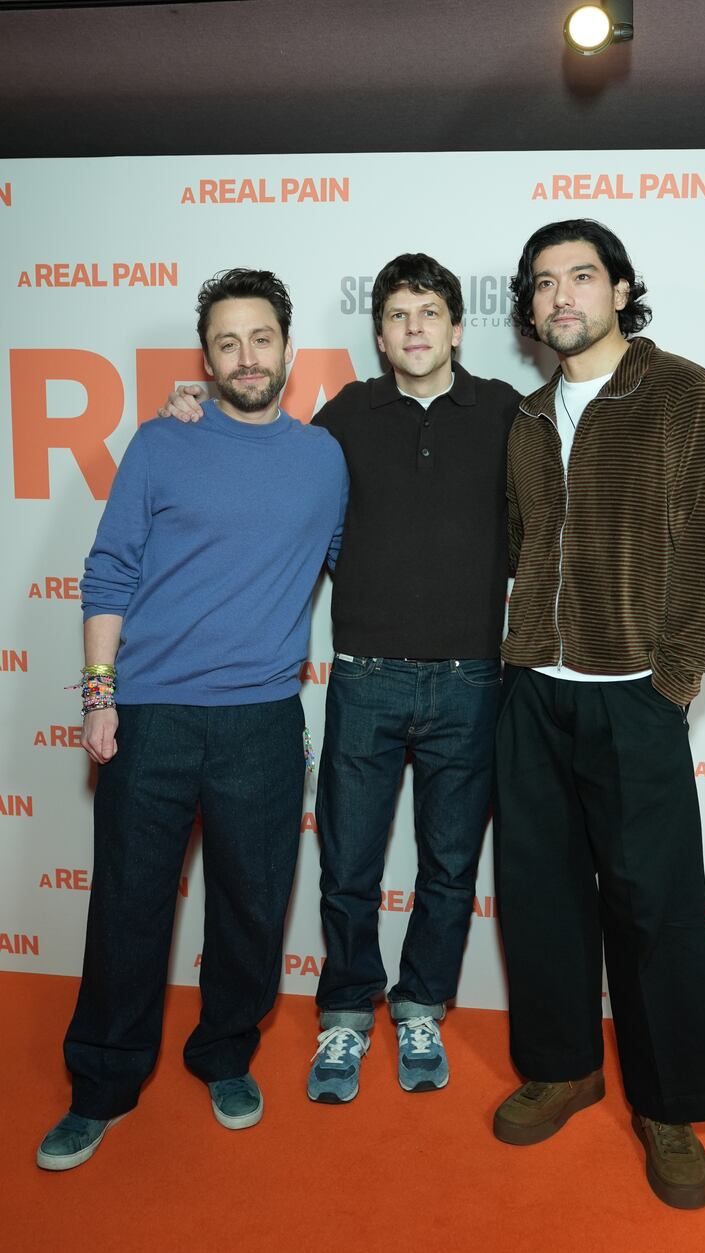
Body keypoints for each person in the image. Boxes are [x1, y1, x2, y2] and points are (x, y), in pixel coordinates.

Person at [159, 254, 521, 1102]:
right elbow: (263, 454)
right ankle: (347, 1016)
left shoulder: (507, 410)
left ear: (457, 327)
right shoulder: (347, 415)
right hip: (364, 681)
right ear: (380, 333)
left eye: (430, 312)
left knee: (450, 864)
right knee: (348, 864)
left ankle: (422, 1003)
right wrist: (193, 409)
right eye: (397, 315)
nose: (415, 328)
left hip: (471, 682)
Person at [36, 269, 348, 1171]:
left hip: (260, 720)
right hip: (151, 716)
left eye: (260, 339)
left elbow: (357, 561)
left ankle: (223, 1054)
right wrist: (99, 694)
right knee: (127, 907)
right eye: (225, 342)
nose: (245, 357)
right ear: (205, 357)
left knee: (251, 910)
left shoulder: (324, 458)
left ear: (286, 348)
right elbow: (108, 574)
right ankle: (101, 1084)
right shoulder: (159, 443)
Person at [492, 219, 705, 1210]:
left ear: (619, 287)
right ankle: (563, 1064)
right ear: (528, 307)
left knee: (653, 908)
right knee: (541, 894)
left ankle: (667, 1102)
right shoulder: (520, 417)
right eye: (543, 282)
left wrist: (669, 682)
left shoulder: (682, 394)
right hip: (531, 693)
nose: (561, 296)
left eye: (580, 276)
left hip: (632, 697)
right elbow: (516, 544)